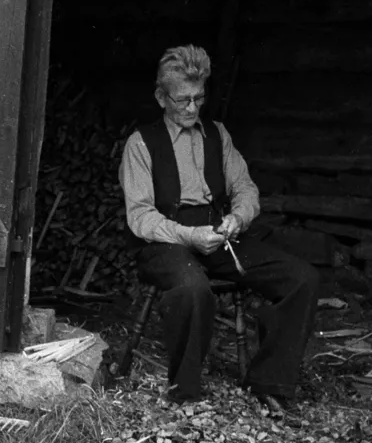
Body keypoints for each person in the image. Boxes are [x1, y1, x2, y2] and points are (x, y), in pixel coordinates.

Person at [119, 44, 319, 405]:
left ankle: (270, 381)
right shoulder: (141, 143)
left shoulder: (217, 134)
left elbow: (244, 187)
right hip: (164, 240)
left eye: (199, 98)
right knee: (192, 288)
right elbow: (140, 216)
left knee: (301, 278)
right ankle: (185, 391)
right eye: (182, 100)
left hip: (217, 233)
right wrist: (189, 236)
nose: (193, 108)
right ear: (161, 97)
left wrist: (236, 218)